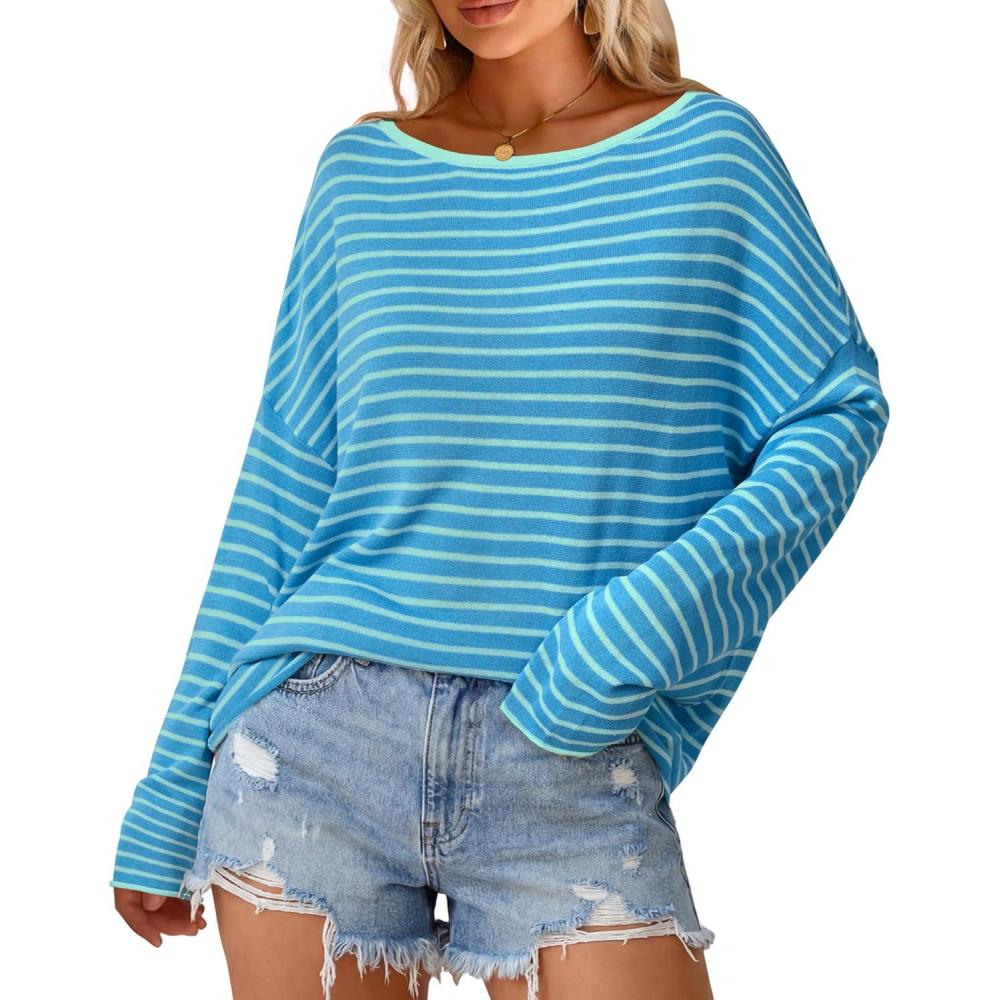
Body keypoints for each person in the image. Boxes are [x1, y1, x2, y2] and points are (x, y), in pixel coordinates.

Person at [111, 2, 891, 998]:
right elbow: (282, 484)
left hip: (566, 741)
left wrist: (636, 629)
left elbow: (833, 417)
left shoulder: (708, 157)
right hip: (313, 745)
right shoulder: (362, 176)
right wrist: (170, 787)